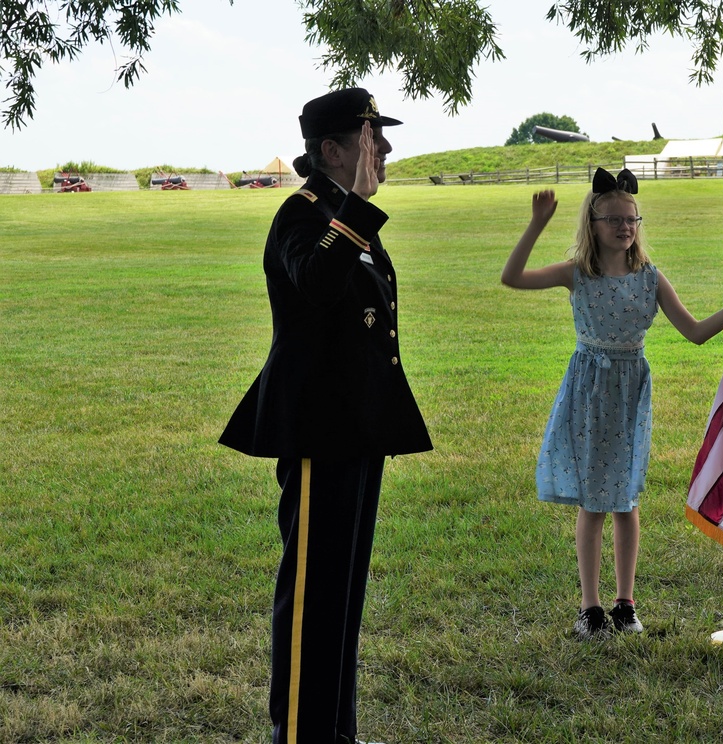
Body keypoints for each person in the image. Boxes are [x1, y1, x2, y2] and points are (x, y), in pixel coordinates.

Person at [219, 88, 432, 744]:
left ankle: (336, 731)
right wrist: (359, 209)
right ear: (331, 150)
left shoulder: (345, 215)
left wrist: (358, 210)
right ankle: (301, 736)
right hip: (318, 431)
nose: (386, 148)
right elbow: (314, 287)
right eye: (372, 137)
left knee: (343, 595)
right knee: (312, 595)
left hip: (359, 428)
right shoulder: (301, 214)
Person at [501, 168, 723, 639]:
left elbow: (694, 332)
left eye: (632, 219)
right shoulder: (577, 275)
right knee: (593, 502)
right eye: (614, 219)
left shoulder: (650, 278)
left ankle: (625, 604)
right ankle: (590, 609)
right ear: (592, 224)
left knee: (626, 499)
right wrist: (536, 224)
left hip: (630, 393)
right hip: (588, 391)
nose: (625, 227)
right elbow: (513, 277)